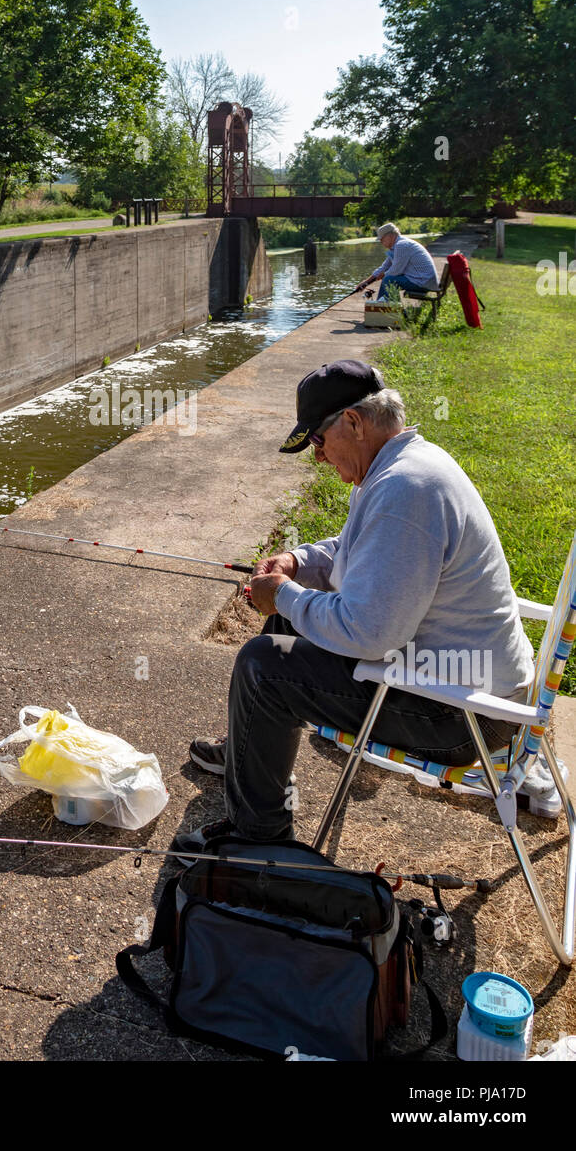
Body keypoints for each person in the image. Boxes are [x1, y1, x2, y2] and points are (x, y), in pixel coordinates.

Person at [174, 359, 534, 858]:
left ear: (355, 422)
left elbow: (369, 632)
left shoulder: (405, 490)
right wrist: (297, 563)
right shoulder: (402, 468)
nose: (318, 457)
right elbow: (351, 550)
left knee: (263, 667)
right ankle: (249, 754)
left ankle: (257, 841)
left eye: (318, 442)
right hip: (459, 680)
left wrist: (281, 593)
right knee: (285, 621)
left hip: (461, 715)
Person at [352, 223, 438, 300]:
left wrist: (384, 275)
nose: (381, 242)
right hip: (422, 280)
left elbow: (396, 271)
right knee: (388, 278)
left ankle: (386, 309)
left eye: (382, 239)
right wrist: (366, 283)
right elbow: (384, 267)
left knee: (389, 280)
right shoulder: (397, 246)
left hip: (423, 282)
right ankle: (385, 308)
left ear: (390, 235)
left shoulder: (401, 245)